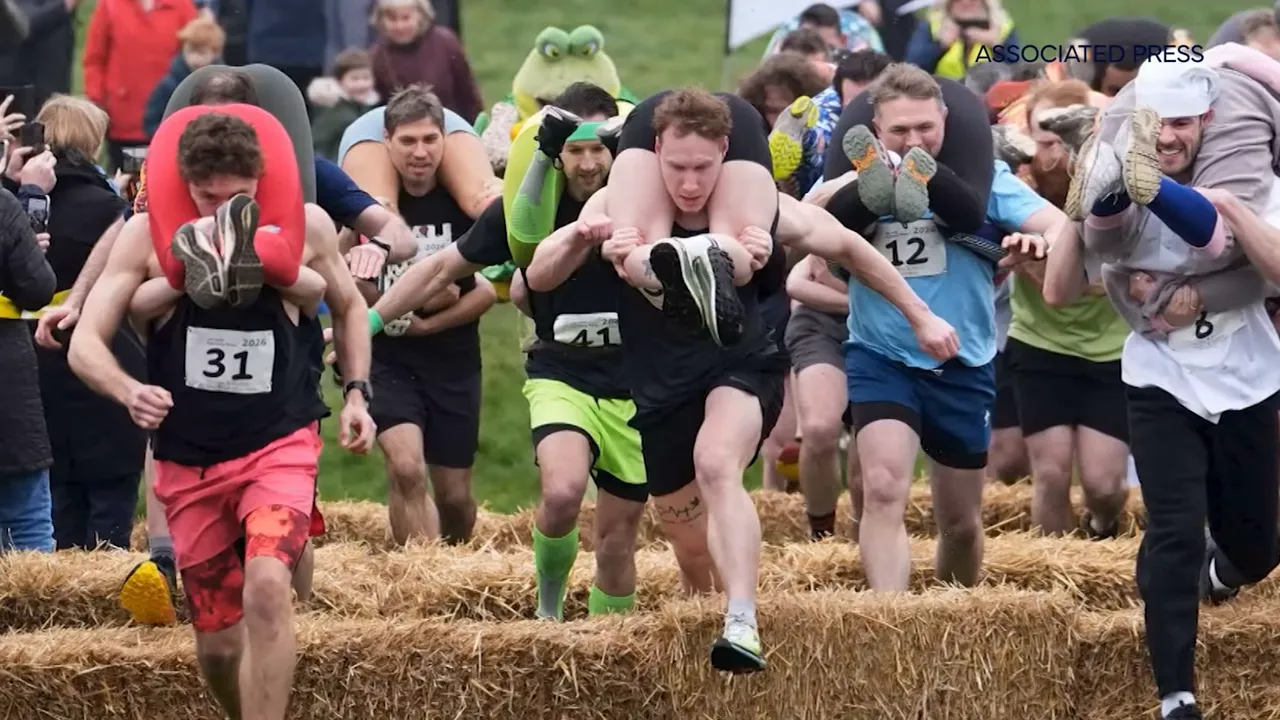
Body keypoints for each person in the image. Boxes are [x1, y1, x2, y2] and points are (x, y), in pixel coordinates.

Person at [526, 87, 959, 672]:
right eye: (676, 167)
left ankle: (742, 618)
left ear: (725, 154)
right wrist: (583, 235)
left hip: (741, 356)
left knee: (717, 463)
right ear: (655, 151)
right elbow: (539, 278)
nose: (688, 183)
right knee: (689, 549)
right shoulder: (617, 200)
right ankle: (669, 277)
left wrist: (921, 315)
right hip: (658, 379)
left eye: (703, 168)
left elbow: (853, 249)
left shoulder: (761, 209)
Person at [68, 111, 375, 720]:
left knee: (267, 584)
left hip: (279, 440)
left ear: (262, 183)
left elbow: (350, 307)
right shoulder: (144, 236)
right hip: (191, 456)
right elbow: (84, 344)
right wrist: (129, 390)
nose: (224, 210)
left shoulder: (306, 225)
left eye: (240, 198)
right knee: (215, 642)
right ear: (186, 185)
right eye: (210, 198)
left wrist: (359, 392)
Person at [374, 82, 685, 619]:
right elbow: (439, 268)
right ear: (558, 152)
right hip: (561, 374)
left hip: (636, 386)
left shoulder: (652, 201)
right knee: (562, 494)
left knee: (617, 539)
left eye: (598, 149)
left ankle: (608, 652)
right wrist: (372, 321)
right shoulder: (531, 208)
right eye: (576, 151)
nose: (588, 164)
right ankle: (548, 610)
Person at [1046, 57, 1280, 720]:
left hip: (1247, 373)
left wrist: (1227, 212)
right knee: (1173, 528)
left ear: (1207, 121)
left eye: (1182, 123)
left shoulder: (1248, 176)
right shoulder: (1118, 180)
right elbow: (1061, 292)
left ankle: (1221, 575)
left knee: (1257, 544)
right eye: (1157, 123)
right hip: (1160, 376)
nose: (1169, 136)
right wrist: (1078, 207)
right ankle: (1175, 692)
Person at [827, 65, 1057, 593]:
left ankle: (952, 619)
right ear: (877, 129)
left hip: (963, 360)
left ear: (946, 120)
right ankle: (892, 627)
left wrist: (1033, 244)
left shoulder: (986, 179)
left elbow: (1057, 226)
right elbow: (804, 222)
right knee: (883, 490)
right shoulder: (856, 178)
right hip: (881, 354)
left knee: (958, 522)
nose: (913, 141)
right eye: (899, 131)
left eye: (925, 128)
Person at [19, 95, 148, 550]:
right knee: (111, 506)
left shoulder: (15, 201)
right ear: (93, 141)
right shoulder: (112, 209)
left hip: (29, 360)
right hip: (106, 357)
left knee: (54, 504)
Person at [364, 85, 492, 546]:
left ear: (444, 140)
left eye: (429, 140)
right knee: (406, 468)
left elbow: (487, 294)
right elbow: (345, 282)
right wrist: (417, 302)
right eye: (408, 141)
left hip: (454, 360)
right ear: (387, 142)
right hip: (388, 359)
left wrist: (426, 321)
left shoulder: (466, 204)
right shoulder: (367, 209)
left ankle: (452, 573)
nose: (420, 152)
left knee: (455, 498)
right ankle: (417, 578)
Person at [1004, 79, 1130, 533]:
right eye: (1042, 139)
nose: (1050, 152)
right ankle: (1057, 578)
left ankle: (1102, 524)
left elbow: (1096, 281)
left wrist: (1037, 267)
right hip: (1040, 343)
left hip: (1111, 349)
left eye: (1061, 138)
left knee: (1104, 484)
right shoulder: (1016, 186)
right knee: (1051, 474)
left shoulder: (1115, 180)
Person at [783, 252, 861, 538]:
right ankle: (821, 536)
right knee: (818, 430)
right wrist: (865, 302)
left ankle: (865, 541)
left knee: (867, 456)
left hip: (885, 327)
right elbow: (797, 284)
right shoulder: (830, 213)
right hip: (820, 324)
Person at [0, 163, 56, 552]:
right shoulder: (3, 206)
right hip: (6, 386)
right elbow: (38, 289)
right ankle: (33, 617)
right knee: (26, 521)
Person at [369, 0, 482, 123]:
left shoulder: (445, 42)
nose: (399, 26)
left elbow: (468, 93)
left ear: (420, 16)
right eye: (392, 19)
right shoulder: (377, 56)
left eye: (406, 18)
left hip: (452, 127)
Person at [904, 0, 1019, 80]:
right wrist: (940, 46)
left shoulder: (1001, 26)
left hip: (989, 93)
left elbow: (1017, 70)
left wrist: (996, 45)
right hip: (945, 92)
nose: (965, 2)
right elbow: (912, 67)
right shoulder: (933, 25)